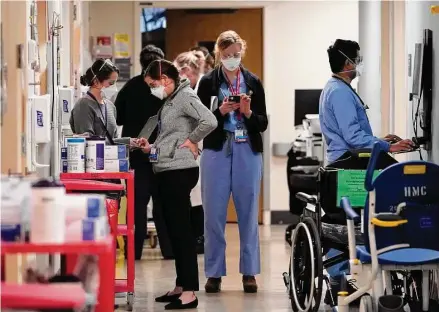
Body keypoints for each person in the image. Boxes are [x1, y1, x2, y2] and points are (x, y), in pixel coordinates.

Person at [320, 39, 415, 306]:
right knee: (394, 186)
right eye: (357, 59)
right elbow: (352, 138)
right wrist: (387, 145)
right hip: (348, 163)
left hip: (349, 158)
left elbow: (355, 134)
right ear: (348, 62)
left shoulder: (339, 88)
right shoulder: (339, 91)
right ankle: (356, 271)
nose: (359, 64)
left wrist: (382, 140)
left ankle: (351, 274)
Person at [140, 60, 217, 310]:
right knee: (173, 231)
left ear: (164, 79)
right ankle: (181, 285)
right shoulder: (171, 100)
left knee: (182, 233)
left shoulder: (185, 96)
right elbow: (171, 134)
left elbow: (210, 120)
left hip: (179, 171)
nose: (152, 89)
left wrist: (193, 140)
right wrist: (152, 148)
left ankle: (190, 292)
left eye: (153, 84)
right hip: (166, 168)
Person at [196, 30, 268, 294]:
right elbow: (198, 123)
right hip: (217, 149)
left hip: (247, 149)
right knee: (213, 214)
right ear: (218, 54)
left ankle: (249, 272)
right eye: (227, 56)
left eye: (236, 55)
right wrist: (219, 112)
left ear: (242, 52)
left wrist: (248, 112)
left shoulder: (253, 82)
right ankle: (214, 273)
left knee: (248, 212)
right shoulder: (207, 83)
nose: (232, 60)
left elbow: (262, 123)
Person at [114, 45, 173, 260]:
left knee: (137, 205)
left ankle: (134, 251)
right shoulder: (167, 88)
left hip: (137, 154)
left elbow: (118, 118)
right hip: (162, 152)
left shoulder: (129, 88)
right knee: (163, 204)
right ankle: (168, 250)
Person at [173, 51, 207, 254]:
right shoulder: (195, 87)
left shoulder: (199, 88)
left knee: (198, 195)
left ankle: (200, 237)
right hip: (194, 145)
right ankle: (197, 236)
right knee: (195, 194)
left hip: (200, 146)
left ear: (186, 71)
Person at [70, 58, 138, 148]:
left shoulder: (110, 107)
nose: (114, 87)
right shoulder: (83, 106)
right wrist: (125, 142)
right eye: (111, 83)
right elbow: (89, 143)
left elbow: (114, 140)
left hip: (111, 160)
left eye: (115, 83)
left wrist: (129, 143)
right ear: (96, 82)